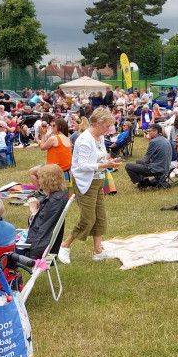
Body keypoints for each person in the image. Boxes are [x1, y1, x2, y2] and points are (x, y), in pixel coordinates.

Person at [57, 107, 123, 264]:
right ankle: (64, 247)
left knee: (100, 217)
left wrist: (109, 164)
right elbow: (82, 166)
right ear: (98, 123)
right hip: (85, 183)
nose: (108, 130)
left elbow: (99, 158)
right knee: (87, 219)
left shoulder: (99, 138)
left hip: (98, 181)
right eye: (107, 126)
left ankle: (98, 251)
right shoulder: (85, 140)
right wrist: (103, 165)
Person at [22, 164, 69, 259]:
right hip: (46, 245)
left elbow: (38, 228)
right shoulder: (60, 197)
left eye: (40, 178)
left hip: (38, 248)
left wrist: (34, 211)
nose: (38, 181)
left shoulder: (54, 201)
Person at [30, 118, 72, 191]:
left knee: (31, 172)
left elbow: (42, 147)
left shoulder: (54, 138)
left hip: (54, 167)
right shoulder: (67, 138)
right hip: (66, 167)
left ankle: (40, 191)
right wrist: (48, 135)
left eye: (54, 125)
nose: (52, 127)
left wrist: (43, 135)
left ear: (59, 127)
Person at [126, 123, 172, 189]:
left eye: (149, 131)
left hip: (157, 169)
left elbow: (146, 159)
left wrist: (148, 161)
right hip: (166, 168)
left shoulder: (154, 141)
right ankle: (146, 182)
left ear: (156, 131)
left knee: (128, 166)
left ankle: (143, 185)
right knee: (139, 162)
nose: (148, 133)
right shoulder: (166, 140)